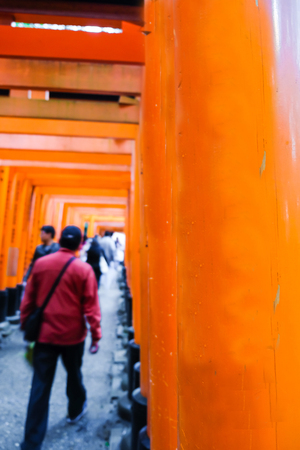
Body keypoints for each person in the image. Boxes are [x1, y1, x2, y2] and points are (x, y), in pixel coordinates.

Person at [20, 226, 101, 450]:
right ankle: (75, 411)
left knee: (40, 385)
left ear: (59, 239)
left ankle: (31, 441)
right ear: (80, 244)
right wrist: (96, 335)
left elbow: (28, 299)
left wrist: (26, 325)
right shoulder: (84, 270)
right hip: (73, 336)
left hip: (44, 335)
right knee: (74, 375)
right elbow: (91, 307)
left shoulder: (41, 264)